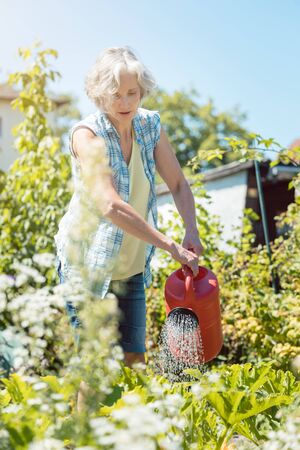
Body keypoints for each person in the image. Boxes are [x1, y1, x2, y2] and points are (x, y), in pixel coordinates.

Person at [54, 47, 203, 406]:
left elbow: (179, 184)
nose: (124, 101)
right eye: (114, 94)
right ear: (99, 94)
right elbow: (109, 205)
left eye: (131, 93)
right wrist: (170, 245)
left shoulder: (149, 125)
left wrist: (191, 231)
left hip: (131, 268)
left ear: (142, 90)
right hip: (88, 265)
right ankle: (82, 439)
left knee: (134, 360)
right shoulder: (86, 136)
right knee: (95, 367)